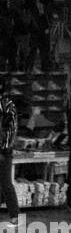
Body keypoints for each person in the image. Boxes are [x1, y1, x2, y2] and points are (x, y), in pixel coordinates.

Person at [0, 80, 19, 224]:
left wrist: (4, 148)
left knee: (6, 182)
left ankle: (14, 215)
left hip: (4, 150)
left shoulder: (7, 106)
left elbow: (10, 130)